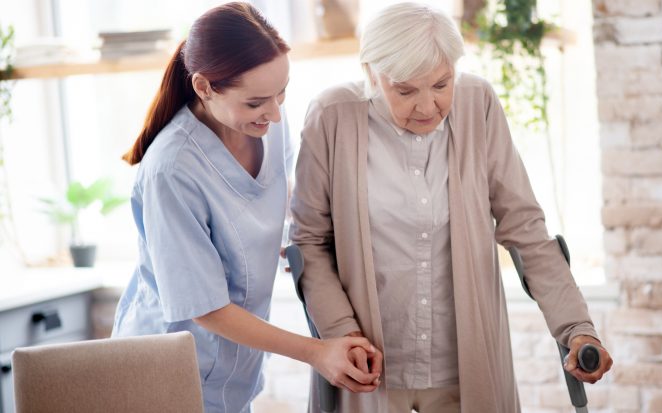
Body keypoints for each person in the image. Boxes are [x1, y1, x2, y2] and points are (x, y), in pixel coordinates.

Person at [289, 3, 613, 412]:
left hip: (465, 364)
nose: (427, 107)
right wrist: (342, 334)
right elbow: (308, 243)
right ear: (372, 73)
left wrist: (577, 328)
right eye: (405, 90)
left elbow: (526, 230)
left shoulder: (478, 104)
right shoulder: (332, 116)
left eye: (442, 85)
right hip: (369, 366)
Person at [111, 3, 380, 412]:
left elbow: (263, 196)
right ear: (204, 87)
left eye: (282, 93)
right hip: (163, 377)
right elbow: (203, 306)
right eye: (255, 102)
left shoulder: (267, 121)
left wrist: (294, 239)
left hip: (233, 374)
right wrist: (317, 352)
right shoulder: (172, 170)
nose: (274, 112)